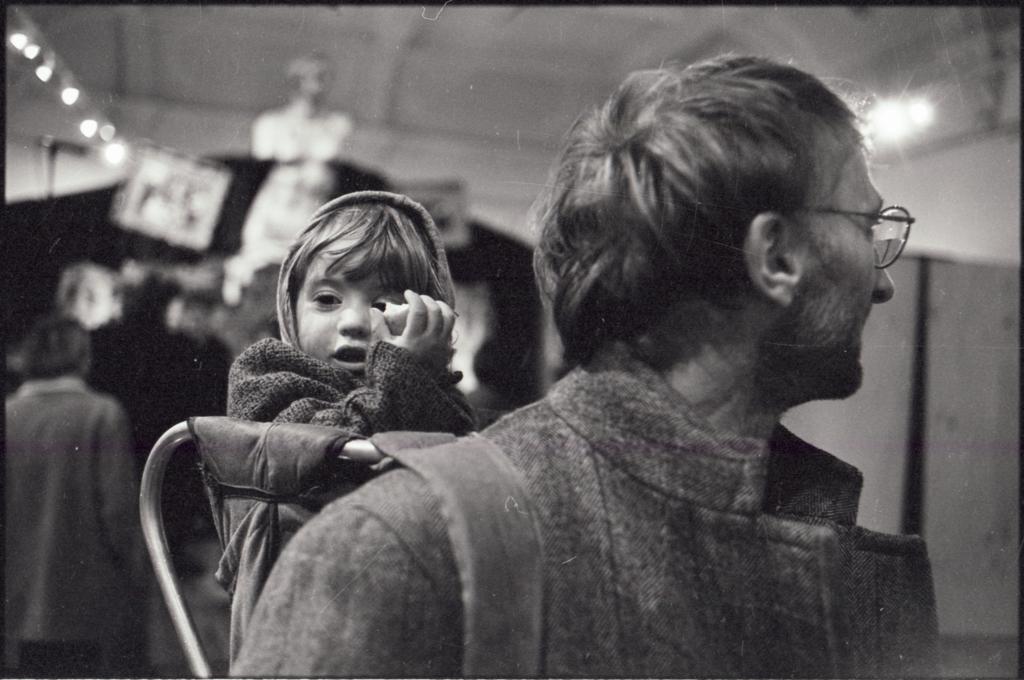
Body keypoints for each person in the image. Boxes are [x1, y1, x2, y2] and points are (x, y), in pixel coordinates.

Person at [234, 55, 937, 677]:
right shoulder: (397, 549)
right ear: (776, 257)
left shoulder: (824, 526)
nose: (883, 279)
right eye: (866, 225)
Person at [215, 190, 475, 662]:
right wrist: (404, 372)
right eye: (328, 299)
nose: (355, 322)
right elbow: (328, 451)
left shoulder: (435, 393)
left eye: (383, 302)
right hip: (296, 628)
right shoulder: (267, 373)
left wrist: (420, 373)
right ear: (290, 308)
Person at [4, 315, 146, 677]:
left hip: (15, 607)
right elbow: (118, 512)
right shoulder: (102, 414)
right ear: (83, 357)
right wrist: (138, 577)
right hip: (86, 606)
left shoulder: (9, 415)